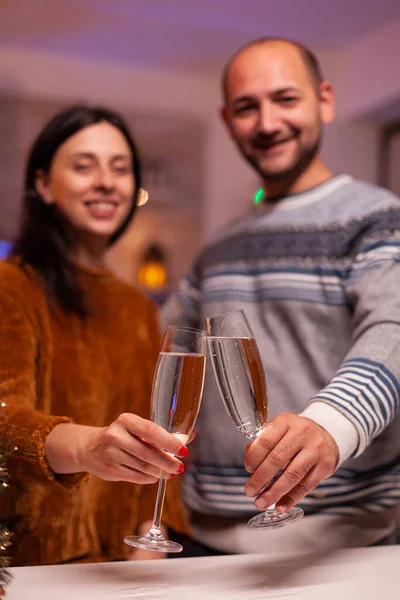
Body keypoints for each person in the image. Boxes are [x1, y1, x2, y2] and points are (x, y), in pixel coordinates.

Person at [162, 37, 400, 556]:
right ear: (227, 121)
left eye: (286, 99)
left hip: (343, 544)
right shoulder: (215, 249)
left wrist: (330, 425)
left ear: (325, 100)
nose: (267, 123)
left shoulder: (379, 218)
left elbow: (393, 331)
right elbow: (159, 357)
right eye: (247, 107)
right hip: (201, 541)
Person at [0, 105, 191, 566]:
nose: (106, 181)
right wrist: (89, 448)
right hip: (32, 566)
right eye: (84, 166)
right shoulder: (12, 286)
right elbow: (4, 423)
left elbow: (161, 432)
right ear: (44, 184)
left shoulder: (138, 308)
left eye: (120, 168)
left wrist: (154, 534)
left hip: (123, 569)